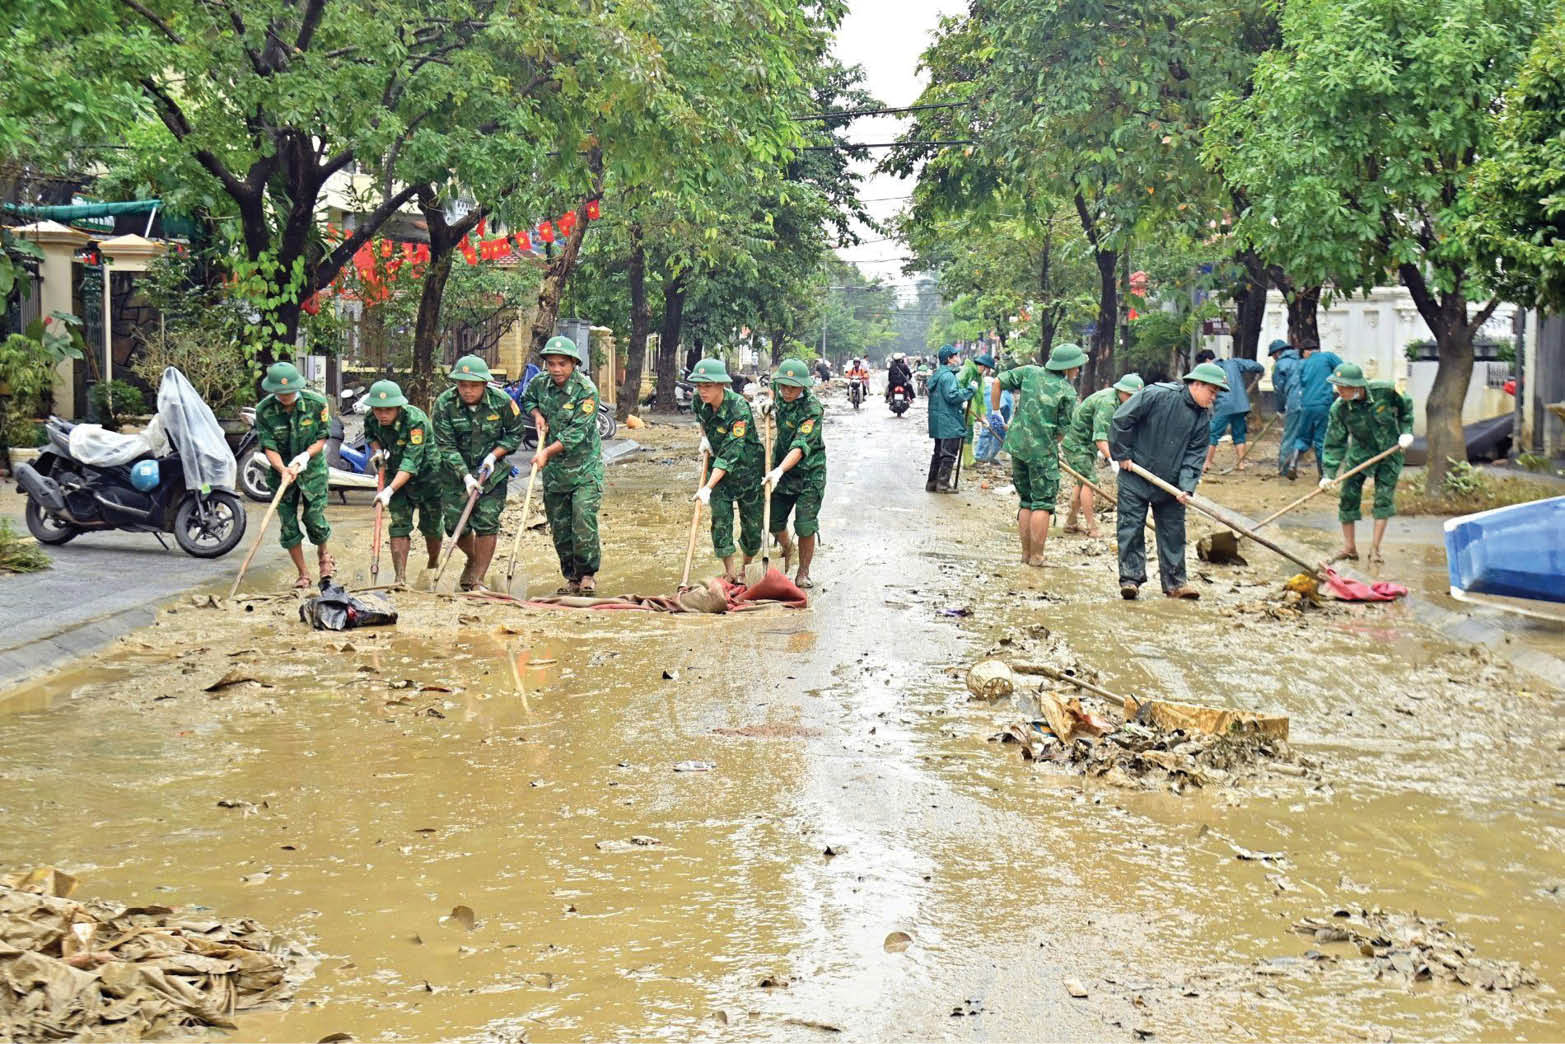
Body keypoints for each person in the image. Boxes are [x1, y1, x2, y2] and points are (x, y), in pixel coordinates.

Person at [1109, 361, 1229, 600]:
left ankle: (1175, 584)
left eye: (1216, 393)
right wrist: (1121, 454)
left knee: (1173, 533)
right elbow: (1122, 419)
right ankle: (1131, 579)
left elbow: (1194, 457)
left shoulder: (1202, 419)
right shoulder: (1157, 395)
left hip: (1171, 485)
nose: (1213, 398)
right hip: (1136, 474)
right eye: (1211, 391)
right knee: (1130, 528)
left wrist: (1186, 488)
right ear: (1196, 384)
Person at [431, 354, 523, 592]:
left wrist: (494, 455)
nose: (468, 390)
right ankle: (472, 557)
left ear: (484, 384)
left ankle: (478, 579)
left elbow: (515, 434)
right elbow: (445, 445)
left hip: (492, 474)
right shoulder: (444, 404)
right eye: (463, 385)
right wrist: (465, 476)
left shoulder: (502, 402)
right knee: (453, 526)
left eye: (473, 385)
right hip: (454, 473)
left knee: (487, 523)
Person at [522, 335, 605, 594]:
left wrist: (546, 451)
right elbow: (527, 400)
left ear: (573, 364)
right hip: (556, 473)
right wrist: (537, 415)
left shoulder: (586, 390)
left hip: (584, 469)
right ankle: (571, 577)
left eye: (562, 364)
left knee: (582, 520)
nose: (556, 369)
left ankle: (588, 574)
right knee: (560, 526)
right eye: (551, 364)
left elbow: (576, 432)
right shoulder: (539, 383)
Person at [990, 343, 1083, 565]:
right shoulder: (1067, 391)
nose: (1078, 371)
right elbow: (1062, 431)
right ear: (1067, 367)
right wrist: (1047, 444)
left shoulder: (1029, 372)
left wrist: (995, 412)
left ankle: (1025, 554)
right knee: (1042, 504)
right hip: (1042, 453)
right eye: (1077, 366)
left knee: (1026, 502)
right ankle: (1037, 556)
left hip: (1017, 447)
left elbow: (997, 382)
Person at [1321, 362, 1415, 565]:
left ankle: (1375, 549)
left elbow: (1406, 407)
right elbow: (1334, 441)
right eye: (1337, 386)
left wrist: (1406, 431)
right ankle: (1349, 548)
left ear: (1357, 386)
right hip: (1360, 453)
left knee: (1383, 499)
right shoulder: (1339, 408)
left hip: (1390, 451)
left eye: (1343, 387)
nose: (1339, 391)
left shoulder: (1386, 391)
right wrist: (1328, 474)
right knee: (1348, 495)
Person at [254, 361, 334, 589]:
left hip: (313, 472)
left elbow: (322, 437)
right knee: (288, 526)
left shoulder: (316, 403)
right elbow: (269, 446)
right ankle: (304, 574)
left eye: (289, 391)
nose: (286, 395)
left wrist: (305, 457)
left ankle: (324, 556)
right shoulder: (264, 410)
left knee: (313, 520)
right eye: (281, 392)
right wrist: (283, 470)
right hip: (282, 474)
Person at [689, 358, 765, 582]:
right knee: (720, 520)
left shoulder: (738, 408)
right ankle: (730, 572)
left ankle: (746, 567)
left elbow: (731, 453)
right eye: (699, 385)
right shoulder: (697, 400)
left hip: (747, 471)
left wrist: (706, 488)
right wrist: (704, 438)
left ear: (722, 385)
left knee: (752, 526)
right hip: (718, 473)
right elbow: (701, 419)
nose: (702, 391)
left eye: (708, 386)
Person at [363, 379, 442, 587]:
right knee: (398, 525)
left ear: (398, 406)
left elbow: (411, 461)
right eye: (378, 410)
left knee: (431, 527)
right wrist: (378, 450)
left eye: (388, 410)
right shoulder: (371, 418)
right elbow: (371, 435)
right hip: (395, 471)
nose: (382, 415)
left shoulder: (416, 420)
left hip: (427, 476)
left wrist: (388, 491)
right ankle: (400, 579)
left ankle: (433, 563)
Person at [763, 358, 826, 589]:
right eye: (783, 386)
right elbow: (773, 390)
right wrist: (769, 401)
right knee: (772, 520)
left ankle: (803, 572)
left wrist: (779, 470)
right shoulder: (781, 394)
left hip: (810, 473)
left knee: (805, 524)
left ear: (803, 386)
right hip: (783, 469)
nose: (787, 391)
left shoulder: (812, 409)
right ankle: (788, 547)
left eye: (793, 387)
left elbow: (800, 447)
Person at [1061, 372, 1143, 537]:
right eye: (1130, 396)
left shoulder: (1121, 402)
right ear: (1122, 392)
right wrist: (1114, 459)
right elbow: (1100, 438)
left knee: (1081, 481)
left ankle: (1071, 522)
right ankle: (1092, 527)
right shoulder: (1108, 404)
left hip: (1087, 445)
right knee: (1089, 482)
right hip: (1077, 444)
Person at [1284, 338, 1342, 479]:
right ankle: (1323, 474)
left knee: (1303, 436)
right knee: (1321, 439)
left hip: (1306, 405)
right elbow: (1343, 369)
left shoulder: (1303, 363)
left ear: (1306, 352)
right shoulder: (1328, 357)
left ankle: (1293, 464)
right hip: (1323, 404)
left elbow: (1302, 382)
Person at [1201, 349, 1267, 472]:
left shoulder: (1209, 369)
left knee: (1212, 434)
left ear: (1206, 360)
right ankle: (1241, 464)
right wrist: (1261, 372)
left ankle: (1207, 464)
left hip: (1224, 405)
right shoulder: (1234, 362)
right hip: (1241, 405)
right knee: (1239, 435)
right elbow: (1255, 366)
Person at [926, 345, 973, 492]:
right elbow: (952, 396)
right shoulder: (948, 376)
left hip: (939, 421)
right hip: (949, 421)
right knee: (949, 453)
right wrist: (970, 390)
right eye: (955, 356)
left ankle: (932, 483)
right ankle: (943, 484)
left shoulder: (938, 374)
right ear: (949, 359)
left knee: (938, 452)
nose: (958, 359)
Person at [1268, 339, 1300, 475]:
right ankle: (1324, 474)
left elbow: (1279, 390)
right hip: (1314, 402)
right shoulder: (1303, 359)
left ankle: (1285, 470)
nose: (1274, 359)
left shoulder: (1280, 365)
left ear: (1277, 353)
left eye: (1273, 355)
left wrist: (1280, 409)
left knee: (1290, 437)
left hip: (1295, 402)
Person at [974, 373, 1013, 463]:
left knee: (989, 428)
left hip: (997, 397)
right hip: (1004, 396)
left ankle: (983, 456)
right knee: (997, 429)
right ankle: (987, 456)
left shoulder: (986, 385)